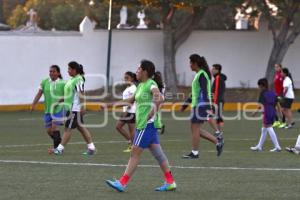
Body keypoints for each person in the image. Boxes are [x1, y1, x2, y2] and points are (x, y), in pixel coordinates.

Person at [105, 60, 176, 192]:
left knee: (134, 154)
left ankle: (122, 183)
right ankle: (170, 182)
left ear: (145, 71)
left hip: (146, 126)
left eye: (138, 69)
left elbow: (159, 98)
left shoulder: (150, 84)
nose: (136, 71)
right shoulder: (140, 86)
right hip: (149, 126)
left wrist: (152, 111)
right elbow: (129, 101)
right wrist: (110, 105)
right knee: (159, 155)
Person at [182, 54, 224, 159]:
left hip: (201, 105)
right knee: (195, 129)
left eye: (190, 63)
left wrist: (206, 106)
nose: (189, 65)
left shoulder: (202, 74)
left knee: (195, 129)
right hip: (198, 105)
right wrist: (186, 104)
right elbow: (195, 92)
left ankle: (195, 153)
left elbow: (205, 91)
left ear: (195, 64)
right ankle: (217, 142)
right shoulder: (199, 74)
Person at [49, 61, 96, 155]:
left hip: (74, 109)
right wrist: (61, 100)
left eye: (69, 69)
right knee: (81, 128)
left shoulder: (78, 79)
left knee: (67, 128)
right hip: (70, 108)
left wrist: (83, 107)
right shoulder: (72, 79)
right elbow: (70, 93)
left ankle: (60, 149)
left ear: (75, 70)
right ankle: (91, 148)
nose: (68, 71)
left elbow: (81, 94)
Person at [31, 65, 65, 149]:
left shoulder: (63, 83)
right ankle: (60, 143)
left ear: (58, 73)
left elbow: (67, 95)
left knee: (54, 127)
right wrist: (33, 104)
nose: (51, 73)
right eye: (50, 71)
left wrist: (59, 101)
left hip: (59, 109)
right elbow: (39, 93)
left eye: (53, 71)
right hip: (48, 109)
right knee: (49, 131)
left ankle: (57, 149)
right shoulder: (44, 82)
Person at [250, 78, 281, 152]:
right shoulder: (273, 93)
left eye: (259, 86)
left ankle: (277, 146)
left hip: (267, 111)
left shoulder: (262, 93)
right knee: (264, 128)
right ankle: (259, 146)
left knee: (269, 127)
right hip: (272, 111)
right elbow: (277, 103)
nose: (258, 88)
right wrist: (280, 113)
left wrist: (255, 112)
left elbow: (260, 105)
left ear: (262, 86)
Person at [116, 71, 137, 153]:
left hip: (131, 111)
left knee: (132, 130)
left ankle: (133, 147)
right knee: (118, 127)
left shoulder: (133, 88)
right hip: (126, 111)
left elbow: (132, 101)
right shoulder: (128, 88)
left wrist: (127, 109)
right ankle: (131, 142)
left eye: (127, 78)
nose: (125, 79)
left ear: (132, 78)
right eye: (125, 78)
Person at [211, 64, 227, 131]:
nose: (211, 70)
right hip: (220, 99)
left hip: (217, 100)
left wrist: (214, 101)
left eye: (213, 69)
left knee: (217, 117)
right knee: (218, 117)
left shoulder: (218, 78)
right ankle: (219, 133)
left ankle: (219, 133)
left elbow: (216, 90)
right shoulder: (220, 77)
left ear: (217, 70)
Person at [272, 64, 285, 128]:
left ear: (280, 67)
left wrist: (281, 94)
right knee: (275, 108)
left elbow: (283, 85)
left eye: (277, 67)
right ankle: (277, 121)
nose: (276, 68)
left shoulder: (281, 75)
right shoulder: (276, 74)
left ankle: (283, 122)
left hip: (280, 94)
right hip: (276, 94)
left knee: (281, 108)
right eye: (275, 67)